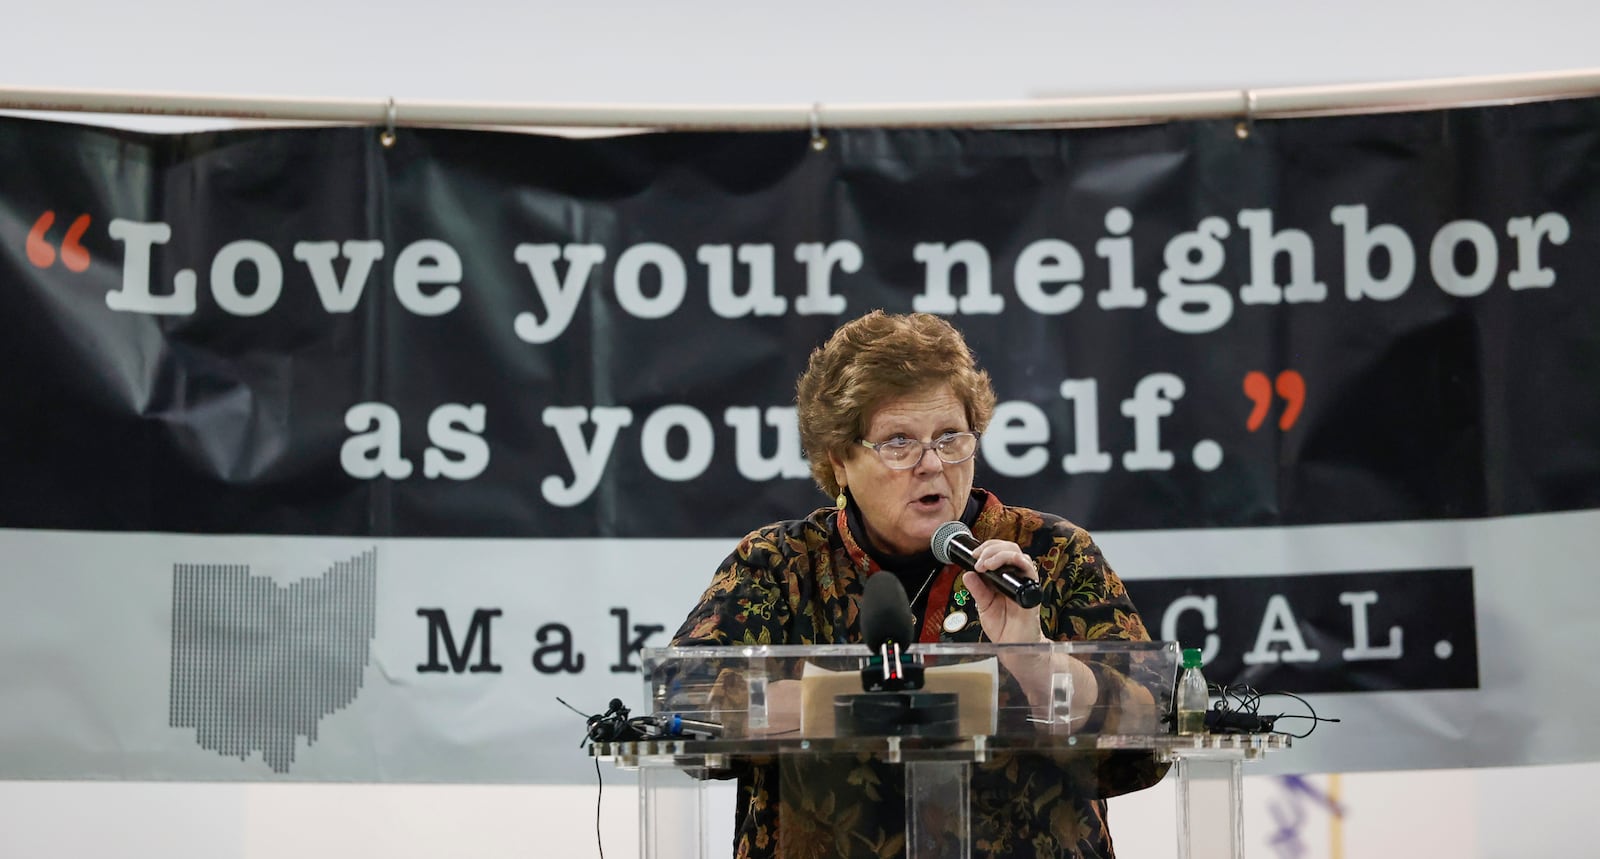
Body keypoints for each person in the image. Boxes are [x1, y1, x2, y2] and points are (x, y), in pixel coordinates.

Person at [672, 310, 1168, 859]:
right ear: (840, 460)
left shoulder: (1050, 555)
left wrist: (1037, 662)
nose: (932, 464)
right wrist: (857, 702)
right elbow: (686, 701)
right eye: (898, 441)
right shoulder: (780, 564)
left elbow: (1150, 731)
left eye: (950, 437)